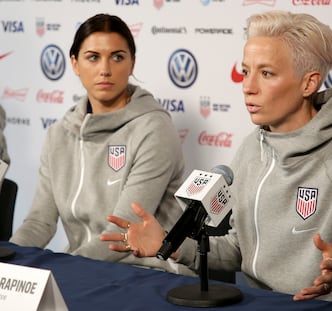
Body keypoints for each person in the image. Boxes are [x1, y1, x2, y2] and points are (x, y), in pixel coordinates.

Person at [100, 10, 332, 310]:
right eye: (246, 71)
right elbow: (239, 250)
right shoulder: (252, 148)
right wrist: (173, 245)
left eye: (266, 73)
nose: (248, 87)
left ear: (309, 83)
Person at [10, 13, 194, 276]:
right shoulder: (58, 134)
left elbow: (122, 233)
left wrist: (63, 269)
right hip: (82, 269)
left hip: (148, 273)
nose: (105, 69)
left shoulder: (153, 129)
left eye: (118, 57)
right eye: (93, 57)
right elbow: (40, 222)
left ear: (132, 64)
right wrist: (8, 262)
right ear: (74, 63)